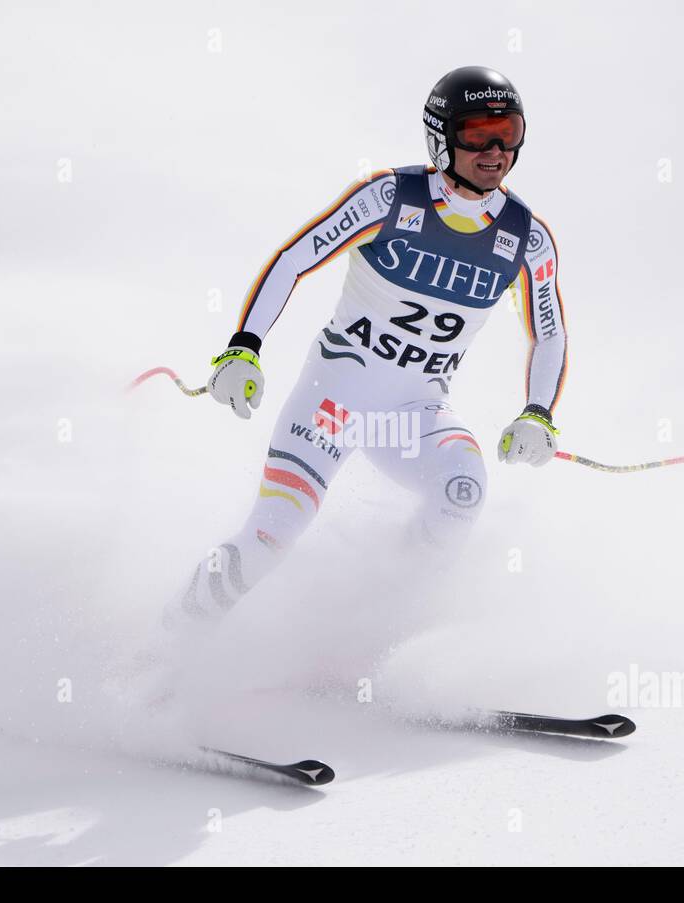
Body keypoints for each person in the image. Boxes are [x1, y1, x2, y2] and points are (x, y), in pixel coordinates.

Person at [166, 65, 567, 625]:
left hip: (410, 414)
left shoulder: (528, 237)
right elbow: (293, 261)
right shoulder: (389, 196)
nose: (496, 150)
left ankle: (365, 641)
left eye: (510, 132)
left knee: (463, 490)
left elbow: (548, 332)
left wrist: (538, 414)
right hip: (334, 404)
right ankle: (167, 643)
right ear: (442, 137)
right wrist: (243, 347)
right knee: (272, 534)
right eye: (477, 135)